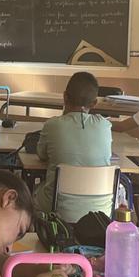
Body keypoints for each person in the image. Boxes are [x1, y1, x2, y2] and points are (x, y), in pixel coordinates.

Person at [33, 71, 113, 217]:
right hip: (102, 211)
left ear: (64, 97)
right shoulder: (105, 125)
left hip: (58, 208)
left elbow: (42, 155)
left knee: (33, 189)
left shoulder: (52, 125)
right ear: (94, 103)